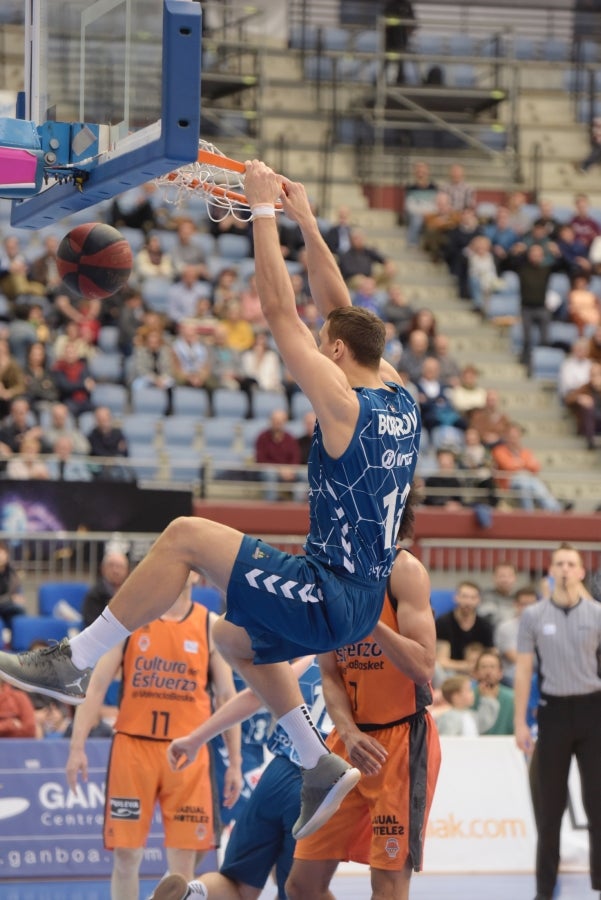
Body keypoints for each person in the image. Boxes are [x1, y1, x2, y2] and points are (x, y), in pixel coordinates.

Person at [0, 161, 421, 843]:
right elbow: (337, 311)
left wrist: (263, 213)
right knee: (229, 637)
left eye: (325, 348)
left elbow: (281, 313)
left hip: (329, 594)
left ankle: (75, 662)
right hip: (361, 598)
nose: (317, 349)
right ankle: (316, 763)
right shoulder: (397, 391)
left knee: (184, 536)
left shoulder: (344, 405)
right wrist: (308, 223)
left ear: (338, 354)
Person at [154, 491, 441, 900]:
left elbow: (424, 666)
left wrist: (369, 621)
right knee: (300, 886)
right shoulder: (332, 579)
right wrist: (347, 731)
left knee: (389, 886)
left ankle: (198, 893)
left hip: (400, 743)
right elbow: (330, 673)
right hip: (344, 744)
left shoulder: (404, 571)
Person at [66, 574, 241, 900]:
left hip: (187, 753)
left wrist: (235, 762)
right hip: (134, 749)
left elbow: (227, 697)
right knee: (126, 854)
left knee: (184, 865)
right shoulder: (132, 618)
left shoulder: (210, 625)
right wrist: (77, 748)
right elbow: (96, 685)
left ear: (197, 574)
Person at [514, 542, 601, 900]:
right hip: (552, 714)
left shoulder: (597, 614)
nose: (565, 568)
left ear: (581, 571)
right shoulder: (533, 616)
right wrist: (520, 722)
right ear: (551, 570)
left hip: (593, 712)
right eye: (559, 563)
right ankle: (544, 891)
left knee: (598, 805)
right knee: (549, 810)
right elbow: (523, 670)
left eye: (571, 564)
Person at [435, 581, 494, 677]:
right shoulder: (443, 623)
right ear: (456, 598)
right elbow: (442, 661)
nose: (468, 602)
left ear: (479, 600)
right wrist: (467, 666)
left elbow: (491, 656)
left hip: (478, 672)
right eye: (464, 597)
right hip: (451, 672)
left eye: (473, 598)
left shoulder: (485, 625)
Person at [494, 586, 538, 687]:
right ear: (516, 605)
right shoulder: (505, 627)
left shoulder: (544, 626)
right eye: (524, 604)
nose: (529, 608)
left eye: (532, 604)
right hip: (512, 673)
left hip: (538, 672)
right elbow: (516, 658)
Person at [81, 549, 130, 629]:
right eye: (111, 566)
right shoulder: (94, 595)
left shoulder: (132, 594)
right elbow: (91, 625)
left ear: (127, 571)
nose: (115, 571)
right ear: (103, 568)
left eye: (120, 567)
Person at [471, 647, 514, 735]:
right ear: (476, 673)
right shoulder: (468, 697)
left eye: (492, 667)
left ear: (500, 673)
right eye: (483, 667)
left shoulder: (512, 698)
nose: (488, 671)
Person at [0, 540, 27, 637]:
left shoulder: (12, 573)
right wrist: (11, 599)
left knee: (19, 613)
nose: (1, 556)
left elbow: (18, 591)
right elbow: (12, 597)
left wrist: (20, 598)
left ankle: (17, 642)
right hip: (5, 605)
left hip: (9, 608)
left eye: (3, 553)